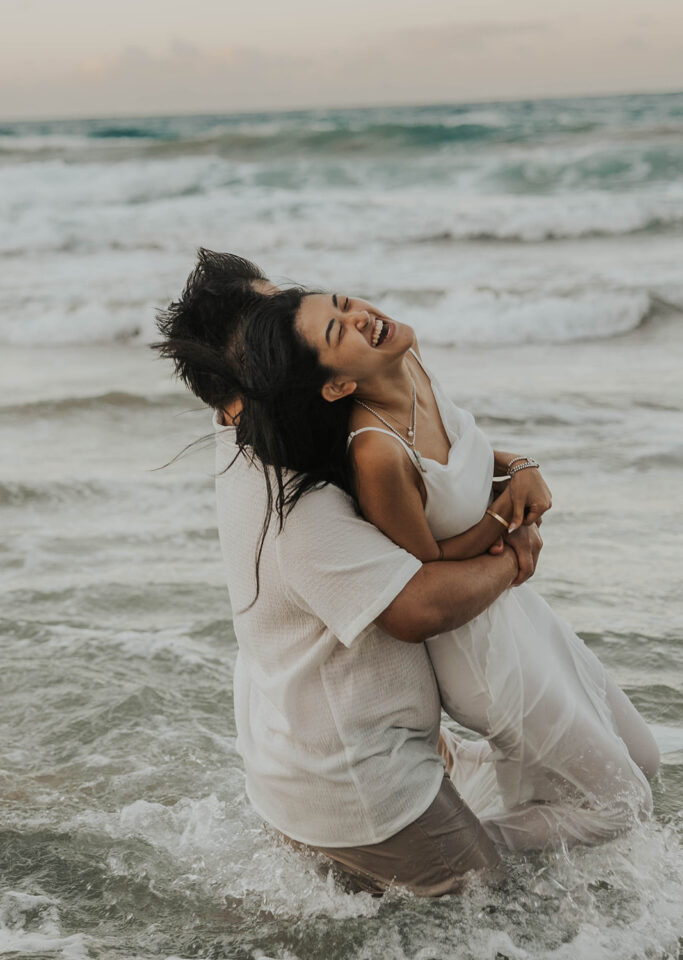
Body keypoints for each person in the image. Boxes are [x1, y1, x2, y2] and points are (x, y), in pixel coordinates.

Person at [154, 250, 544, 896]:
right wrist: (513, 550)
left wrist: (516, 465)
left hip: (314, 742)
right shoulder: (292, 504)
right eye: (277, 321)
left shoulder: (274, 425)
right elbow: (412, 608)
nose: (295, 319)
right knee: (495, 914)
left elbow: (415, 455)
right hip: (356, 779)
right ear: (253, 366)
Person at [236, 285, 660, 853]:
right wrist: (508, 527)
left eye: (343, 303)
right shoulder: (375, 454)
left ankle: (500, 822)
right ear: (336, 385)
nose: (361, 317)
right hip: (479, 656)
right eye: (340, 331)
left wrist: (521, 469)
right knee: (619, 808)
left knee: (643, 759)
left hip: (516, 615)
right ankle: (467, 852)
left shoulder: (409, 362)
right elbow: (424, 566)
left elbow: (470, 456)